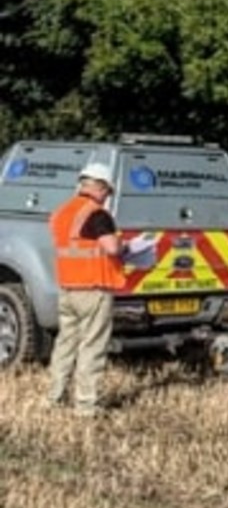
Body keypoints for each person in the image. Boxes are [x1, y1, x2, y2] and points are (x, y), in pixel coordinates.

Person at [46, 162, 126, 417]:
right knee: (92, 347)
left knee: (65, 344)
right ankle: (85, 406)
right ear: (99, 187)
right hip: (94, 290)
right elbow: (111, 248)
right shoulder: (97, 214)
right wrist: (126, 247)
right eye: (108, 192)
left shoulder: (61, 213)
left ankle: (54, 398)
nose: (107, 198)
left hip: (68, 288)